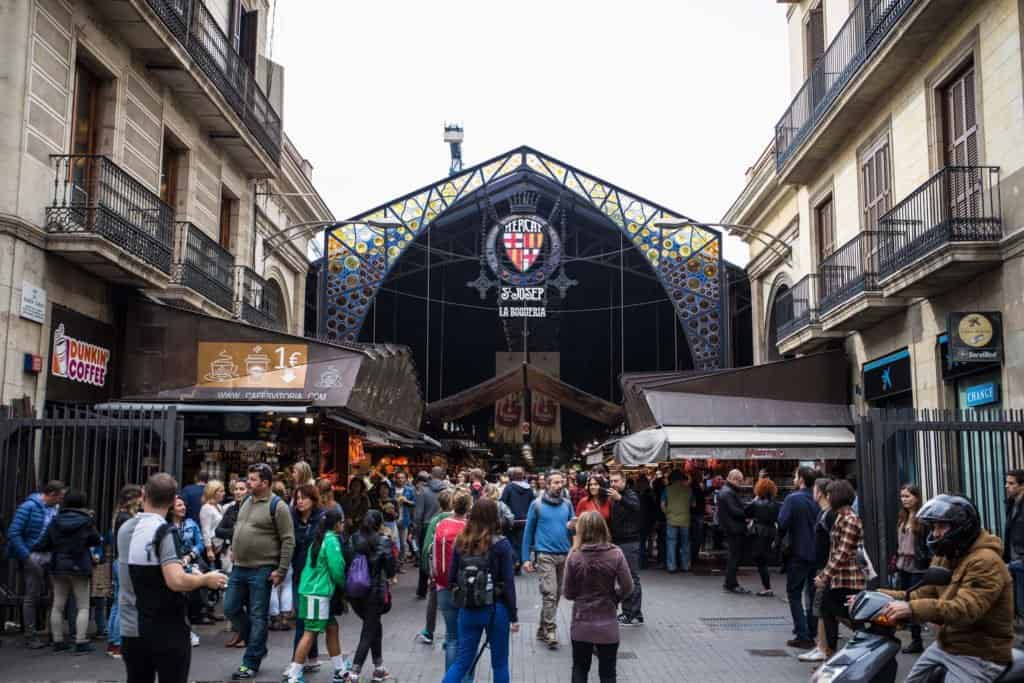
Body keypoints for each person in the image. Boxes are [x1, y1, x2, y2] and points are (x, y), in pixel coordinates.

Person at [878, 494, 1013, 682]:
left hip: (980, 654)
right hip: (947, 645)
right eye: (933, 527)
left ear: (961, 527)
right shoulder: (947, 555)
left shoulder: (985, 562)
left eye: (941, 526)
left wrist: (911, 608)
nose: (935, 533)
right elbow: (922, 593)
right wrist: (877, 596)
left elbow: (965, 609)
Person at [118, 473, 227, 683]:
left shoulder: (125, 529)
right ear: (171, 502)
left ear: (143, 494)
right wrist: (205, 579)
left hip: (131, 627)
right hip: (165, 627)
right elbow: (175, 581)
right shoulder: (164, 532)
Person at [224, 463, 296, 680]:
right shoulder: (246, 500)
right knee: (230, 608)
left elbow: (288, 539)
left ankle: (251, 661)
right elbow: (240, 527)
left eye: (253, 479)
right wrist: (234, 548)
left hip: (261, 569)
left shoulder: (278, 506)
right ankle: (258, 645)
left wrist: (281, 570)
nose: (248, 482)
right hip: (239, 567)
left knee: (258, 615)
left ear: (265, 483)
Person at [442, 497, 518, 683]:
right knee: (499, 663)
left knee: (462, 663)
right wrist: (513, 615)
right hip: (496, 609)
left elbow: (451, 579)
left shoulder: (462, 541)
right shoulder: (501, 544)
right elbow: (508, 583)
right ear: (495, 517)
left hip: (468, 609)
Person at [563, 511, 633, 683]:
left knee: (580, 669)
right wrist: (615, 597)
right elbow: (628, 587)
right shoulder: (615, 553)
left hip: (581, 623)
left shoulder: (574, 556)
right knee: (608, 673)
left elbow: (568, 593)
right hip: (607, 623)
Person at [34, 489, 101, 654]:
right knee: (83, 606)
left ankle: (57, 641)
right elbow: (95, 539)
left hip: (59, 565)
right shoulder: (87, 521)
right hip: (79, 564)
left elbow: (44, 543)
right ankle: (80, 641)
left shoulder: (55, 521)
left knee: (58, 604)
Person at [284, 508, 348, 683]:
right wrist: (345, 587)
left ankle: (340, 669)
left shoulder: (320, 539)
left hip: (311, 592)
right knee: (310, 632)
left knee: (332, 628)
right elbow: (337, 569)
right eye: (342, 522)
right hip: (318, 594)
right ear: (336, 524)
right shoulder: (332, 541)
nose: (343, 525)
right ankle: (294, 674)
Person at [5, 479, 64, 649]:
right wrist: (26, 557)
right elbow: (14, 533)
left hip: (50, 556)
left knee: (55, 595)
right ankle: (31, 635)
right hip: (34, 555)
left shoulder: (56, 509)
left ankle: (54, 634)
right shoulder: (28, 507)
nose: (61, 500)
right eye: (60, 497)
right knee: (32, 595)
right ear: (52, 495)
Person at [522, 471, 574, 649]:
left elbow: (572, 528)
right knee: (550, 593)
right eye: (556, 483)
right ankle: (551, 630)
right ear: (547, 485)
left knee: (556, 594)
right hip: (545, 555)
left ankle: (542, 628)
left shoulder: (567, 504)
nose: (559, 486)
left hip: (564, 554)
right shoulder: (536, 505)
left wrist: (573, 530)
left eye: (562, 482)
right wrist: (525, 558)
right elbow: (528, 532)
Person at [344, 509, 397, 682]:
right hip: (374, 592)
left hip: (354, 592)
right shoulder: (383, 541)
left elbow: (346, 560)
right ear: (379, 524)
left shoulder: (352, 538)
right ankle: (354, 672)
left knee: (374, 626)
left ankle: (379, 667)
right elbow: (390, 569)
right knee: (369, 630)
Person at [814, 479, 864, 657]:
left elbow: (842, 552)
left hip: (849, 577)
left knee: (845, 613)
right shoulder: (841, 517)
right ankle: (830, 653)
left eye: (829, 494)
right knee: (829, 610)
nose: (827, 497)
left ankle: (865, 638)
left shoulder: (850, 519)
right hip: (840, 576)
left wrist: (824, 575)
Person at [777, 466, 820, 649]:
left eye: (795, 476)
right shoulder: (819, 499)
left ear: (801, 478)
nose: (794, 479)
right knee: (812, 592)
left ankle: (802, 634)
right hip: (817, 553)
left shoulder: (793, 499)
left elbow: (782, 522)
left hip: (799, 552)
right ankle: (812, 630)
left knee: (794, 594)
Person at [798, 477, 837, 663]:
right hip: (822, 566)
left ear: (820, 492)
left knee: (823, 607)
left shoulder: (830, 515)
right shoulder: (823, 513)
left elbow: (834, 545)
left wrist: (825, 571)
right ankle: (821, 645)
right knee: (820, 607)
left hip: (826, 568)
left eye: (814, 489)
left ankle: (825, 647)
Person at [432, 489, 470, 677]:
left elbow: (433, 556)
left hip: (443, 585)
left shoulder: (441, 524)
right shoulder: (470, 528)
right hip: (465, 589)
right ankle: (465, 678)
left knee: (451, 637)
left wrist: (436, 578)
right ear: (469, 506)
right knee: (466, 639)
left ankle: (450, 677)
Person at [290, 484, 325, 673]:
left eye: (304, 497)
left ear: (313, 499)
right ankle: (311, 657)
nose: (300, 501)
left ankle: (296, 663)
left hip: (314, 576)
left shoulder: (321, 519)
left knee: (304, 619)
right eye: (297, 498)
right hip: (298, 574)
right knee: (305, 618)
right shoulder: (292, 518)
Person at [107, 484, 142, 659]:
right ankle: (119, 644)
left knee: (117, 603)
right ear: (133, 499)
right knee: (124, 603)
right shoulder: (127, 518)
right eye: (140, 496)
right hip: (125, 563)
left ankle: (113, 642)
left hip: (118, 561)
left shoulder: (118, 515)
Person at [167, 495, 210, 635]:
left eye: (184, 505)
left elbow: (200, 543)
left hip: (192, 560)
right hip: (173, 562)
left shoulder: (191, 523)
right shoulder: (165, 526)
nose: (183, 507)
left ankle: (195, 616)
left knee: (195, 589)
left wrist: (191, 555)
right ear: (171, 509)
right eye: (179, 505)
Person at [895, 483, 929, 654]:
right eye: (902, 496)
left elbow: (925, 545)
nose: (904, 500)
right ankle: (914, 636)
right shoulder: (903, 516)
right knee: (905, 600)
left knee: (914, 603)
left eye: (907, 496)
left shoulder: (923, 519)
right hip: (903, 565)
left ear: (917, 498)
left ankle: (917, 640)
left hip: (917, 566)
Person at [416, 489, 453, 646]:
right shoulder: (459, 520)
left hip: (437, 569)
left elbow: (426, 548)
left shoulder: (435, 521)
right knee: (452, 603)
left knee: (434, 599)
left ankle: (429, 631)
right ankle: (449, 634)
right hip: (454, 568)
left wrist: (427, 569)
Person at [216, 478, 249, 647]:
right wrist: (235, 531)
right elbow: (219, 530)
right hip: (231, 558)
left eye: (242, 489)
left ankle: (244, 635)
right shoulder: (231, 510)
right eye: (236, 488)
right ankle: (241, 631)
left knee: (246, 600)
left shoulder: (253, 509)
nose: (237, 492)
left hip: (249, 558)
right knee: (231, 602)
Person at [607, 471, 643, 626]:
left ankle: (632, 614)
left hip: (629, 542)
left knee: (631, 577)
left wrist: (620, 499)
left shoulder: (629, 494)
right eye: (611, 481)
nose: (613, 484)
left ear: (624, 481)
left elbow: (635, 507)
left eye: (616, 481)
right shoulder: (614, 497)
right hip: (619, 541)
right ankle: (633, 612)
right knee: (624, 578)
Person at [413, 467, 446, 599]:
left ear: (431, 476)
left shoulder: (423, 491)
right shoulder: (448, 490)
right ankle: (440, 587)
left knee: (424, 557)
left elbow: (418, 514)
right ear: (443, 475)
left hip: (426, 527)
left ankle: (422, 590)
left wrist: (416, 529)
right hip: (443, 525)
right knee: (440, 556)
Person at [745, 477, 780, 597]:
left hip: (759, 532)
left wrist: (754, 499)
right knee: (763, 560)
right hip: (771, 532)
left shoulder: (756, 503)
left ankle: (767, 588)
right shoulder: (777, 504)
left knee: (760, 560)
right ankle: (767, 587)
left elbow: (745, 512)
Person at [717, 469, 749, 594]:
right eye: (740, 481)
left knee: (734, 556)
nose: (740, 484)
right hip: (734, 529)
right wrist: (747, 513)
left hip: (732, 528)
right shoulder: (728, 492)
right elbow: (735, 511)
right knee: (734, 557)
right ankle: (731, 584)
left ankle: (730, 583)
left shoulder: (727, 491)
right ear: (734, 479)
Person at [500, 467, 535, 571]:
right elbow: (532, 504)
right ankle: (519, 562)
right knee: (521, 543)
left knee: (511, 541)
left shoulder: (508, 488)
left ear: (512, 476)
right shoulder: (529, 489)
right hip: (525, 521)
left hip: (511, 521)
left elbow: (503, 503)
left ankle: (514, 561)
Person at [661, 470, 692, 574]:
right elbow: (694, 504)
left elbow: (662, 505)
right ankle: (685, 566)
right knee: (685, 544)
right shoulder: (688, 490)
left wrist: (668, 513)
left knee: (671, 543)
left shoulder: (667, 489)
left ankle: (671, 567)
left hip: (671, 520)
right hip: (685, 520)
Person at [1004, 470, 1024, 625]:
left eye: (1011, 483)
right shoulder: (1011, 503)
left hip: (1021, 559)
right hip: (1013, 559)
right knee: (1017, 602)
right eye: (1007, 482)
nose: (1007, 486)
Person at [200, 480, 226, 572]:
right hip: (212, 547)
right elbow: (205, 531)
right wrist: (209, 550)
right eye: (221, 491)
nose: (224, 493)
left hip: (220, 546)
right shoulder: (206, 508)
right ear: (213, 493)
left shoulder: (219, 506)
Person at [395, 470, 416, 563]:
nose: (400, 479)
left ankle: (400, 562)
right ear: (395, 479)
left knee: (403, 543)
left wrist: (406, 501)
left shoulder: (410, 490)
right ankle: (394, 562)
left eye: (402, 477)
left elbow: (415, 503)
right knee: (394, 543)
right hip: (392, 519)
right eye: (398, 477)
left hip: (404, 519)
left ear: (406, 479)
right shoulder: (392, 489)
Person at [690, 470, 706, 567]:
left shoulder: (693, 486)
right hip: (696, 515)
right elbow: (697, 500)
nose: (702, 477)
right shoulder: (695, 487)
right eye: (700, 475)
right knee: (696, 536)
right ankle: (694, 556)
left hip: (695, 514)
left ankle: (693, 556)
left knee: (694, 536)